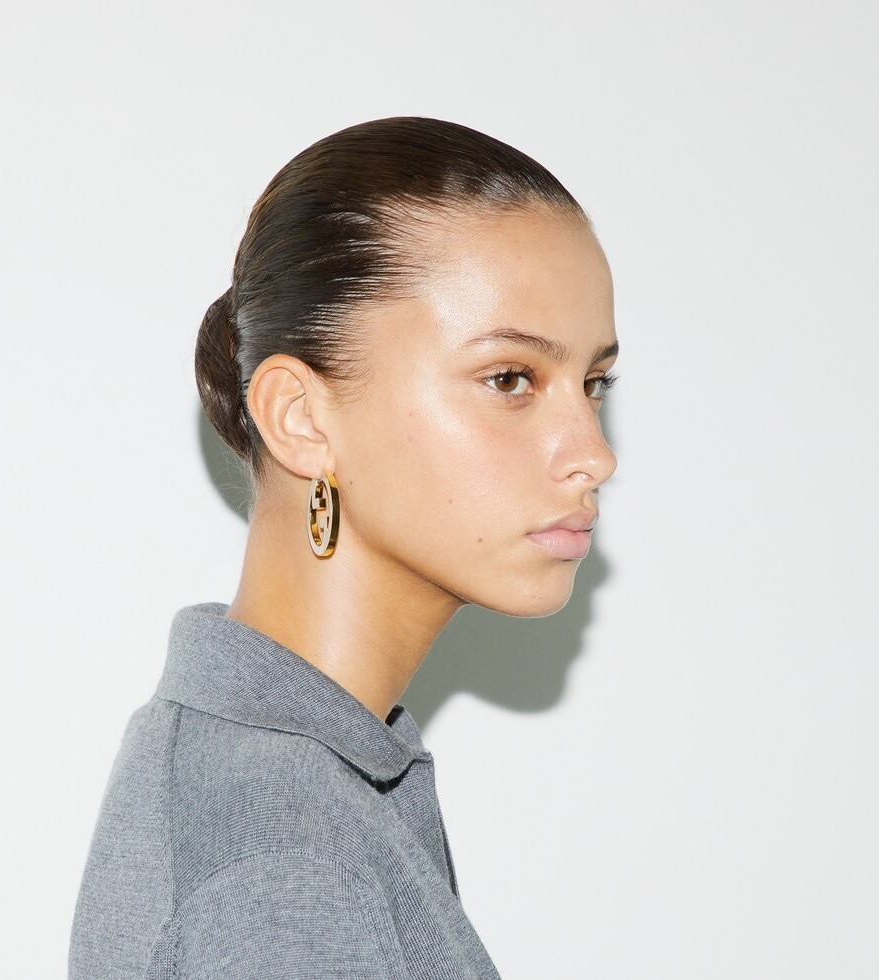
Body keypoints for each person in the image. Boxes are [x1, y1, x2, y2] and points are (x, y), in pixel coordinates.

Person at [68, 116, 618, 979]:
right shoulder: (288, 862)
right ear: (301, 419)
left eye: (593, 383)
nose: (593, 454)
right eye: (510, 379)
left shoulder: (279, 772)